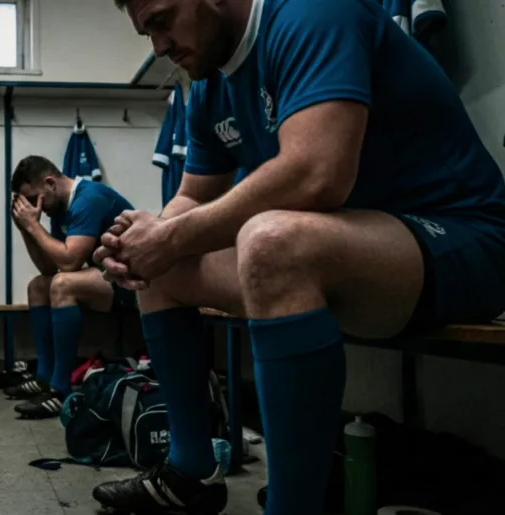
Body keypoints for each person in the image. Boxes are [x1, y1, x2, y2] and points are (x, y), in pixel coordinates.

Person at [92, 0, 505, 514]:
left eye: (161, 20)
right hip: (353, 249)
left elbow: (318, 174)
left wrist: (170, 237)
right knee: (160, 266)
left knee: (271, 242)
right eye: (145, 32)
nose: (158, 46)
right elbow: (192, 197)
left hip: (460, 240)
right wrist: (145, 238)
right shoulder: (208, 85)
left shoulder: (312, 12)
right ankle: (188, 470)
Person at [8, 155, 136, 419]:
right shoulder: (60, 207)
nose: (35, 207)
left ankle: (60, 388)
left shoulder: (87, 199)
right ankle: (44, 376)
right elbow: (47, 268)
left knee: (63, 284)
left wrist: (33, 225)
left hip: (134, 283)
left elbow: (69, 262)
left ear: (50, 183)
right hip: (106, 277)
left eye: (34, 198)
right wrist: (25, 229)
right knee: (38, 287)